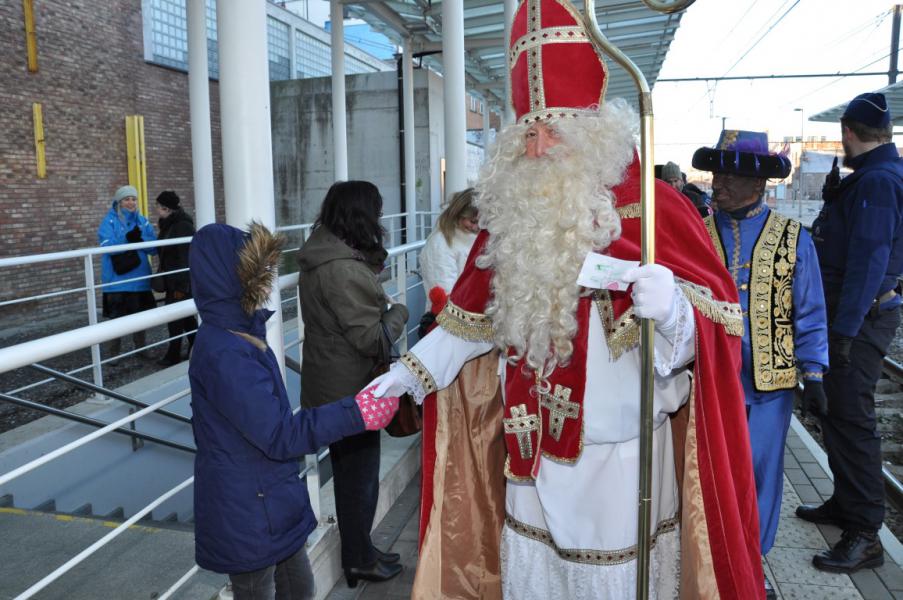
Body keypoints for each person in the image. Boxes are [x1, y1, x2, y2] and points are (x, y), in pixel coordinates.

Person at [365, 0, 764, 597]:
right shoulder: (512, 222)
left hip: (621, 464)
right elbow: (471, 323)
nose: (535, 148)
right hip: (533, 460)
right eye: (527, 131)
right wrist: (406, 376)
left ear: (592, 133)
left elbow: (717, 340)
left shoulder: (656, 212)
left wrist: (674, 309)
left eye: (552, 131)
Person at [187, 221, 399, 600]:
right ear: (231, 278)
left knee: (299, 588)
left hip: (268, 499)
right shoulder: (225, 352)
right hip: (249, 509)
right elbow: (279, 435)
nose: (264, 281)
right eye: (254, 272)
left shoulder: (238, 336)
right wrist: (356, 413)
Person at [693, 130, 829, 598]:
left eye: (730, 176)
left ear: (759, 184)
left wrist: (814, 373)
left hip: (768, 384)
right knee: (711, 472)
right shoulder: (696, 233)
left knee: (757, 473)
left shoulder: (794, 238)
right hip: (707, 378)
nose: (718, 184)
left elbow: (810, 310)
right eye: (716, 174)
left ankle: (751, 565)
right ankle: (709, 559)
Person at [799, 91, 903, 573]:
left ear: (846, 132)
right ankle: (846, 503)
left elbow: (869, 262)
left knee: (852, 418)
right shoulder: (868, 178)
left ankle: (866, 534)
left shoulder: (877, 182)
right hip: (853, 316)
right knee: (837, 415)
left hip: (858, 319)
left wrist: (841, 333)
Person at [296, 181, 409, 587]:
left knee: (352, 477)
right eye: (376, 213)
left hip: (331, 385)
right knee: (357, 481)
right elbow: (373, 338)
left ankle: (361, 551)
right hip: (351, 392)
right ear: (363, 215)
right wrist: (400, 310)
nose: (379, 220)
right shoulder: (342, 269)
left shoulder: (323, 252)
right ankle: (359, 559)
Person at [97, 185, 158, 361]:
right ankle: (113, 355)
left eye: (133, 199)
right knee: (117, 321)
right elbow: (107, 247)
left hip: (140, 279)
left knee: (141, 319)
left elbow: (154, 248)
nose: (131, 202)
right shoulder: (109, 221)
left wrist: (140, 239)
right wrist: (127, 239)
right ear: (119, 201)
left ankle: (141, 349)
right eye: (126, 199)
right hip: (117, 281)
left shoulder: (143, 221)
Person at [417, 188, 479, 336]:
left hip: (468, 322)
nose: (476, 227)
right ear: (458, 214)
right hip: (448, 325)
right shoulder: (440, 243)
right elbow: (443, 293)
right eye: (473, 221)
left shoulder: (466, 237)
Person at [154, 191, 197, 367]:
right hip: (174, 279)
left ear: (165, 208)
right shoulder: (168, 224)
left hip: (180, 281)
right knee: (184, 317)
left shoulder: (181, 226)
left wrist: (182, 285)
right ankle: (196, 345)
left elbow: (185, 257)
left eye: (157, 206)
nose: (156, 209)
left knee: (176, 318)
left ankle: (173, 354)